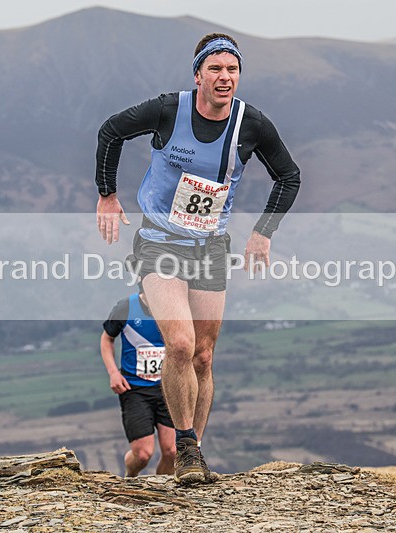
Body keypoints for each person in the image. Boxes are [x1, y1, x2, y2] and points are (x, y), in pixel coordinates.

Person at [95, 33, 300, 484]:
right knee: (181, 345)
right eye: (216, 69)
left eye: (232, 70)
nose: (224, 77)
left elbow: (288, 175)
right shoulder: (170, 110)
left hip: (210, 246)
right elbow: (111, 130)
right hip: (160, 243)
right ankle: (185, 443)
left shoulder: (252, 124)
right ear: (199, 74)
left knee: (204, 356)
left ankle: (193, 454)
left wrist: (263, 233)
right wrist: (107, 196)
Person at [101, 284, 176, 477]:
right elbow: (107, 338)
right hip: (135, 389)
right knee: (143, 454)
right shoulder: (125, 308)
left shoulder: (175, 308)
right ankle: (130, 478)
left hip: (168, 389)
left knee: (172, 452)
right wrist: (113, 373)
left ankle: (162, 491)